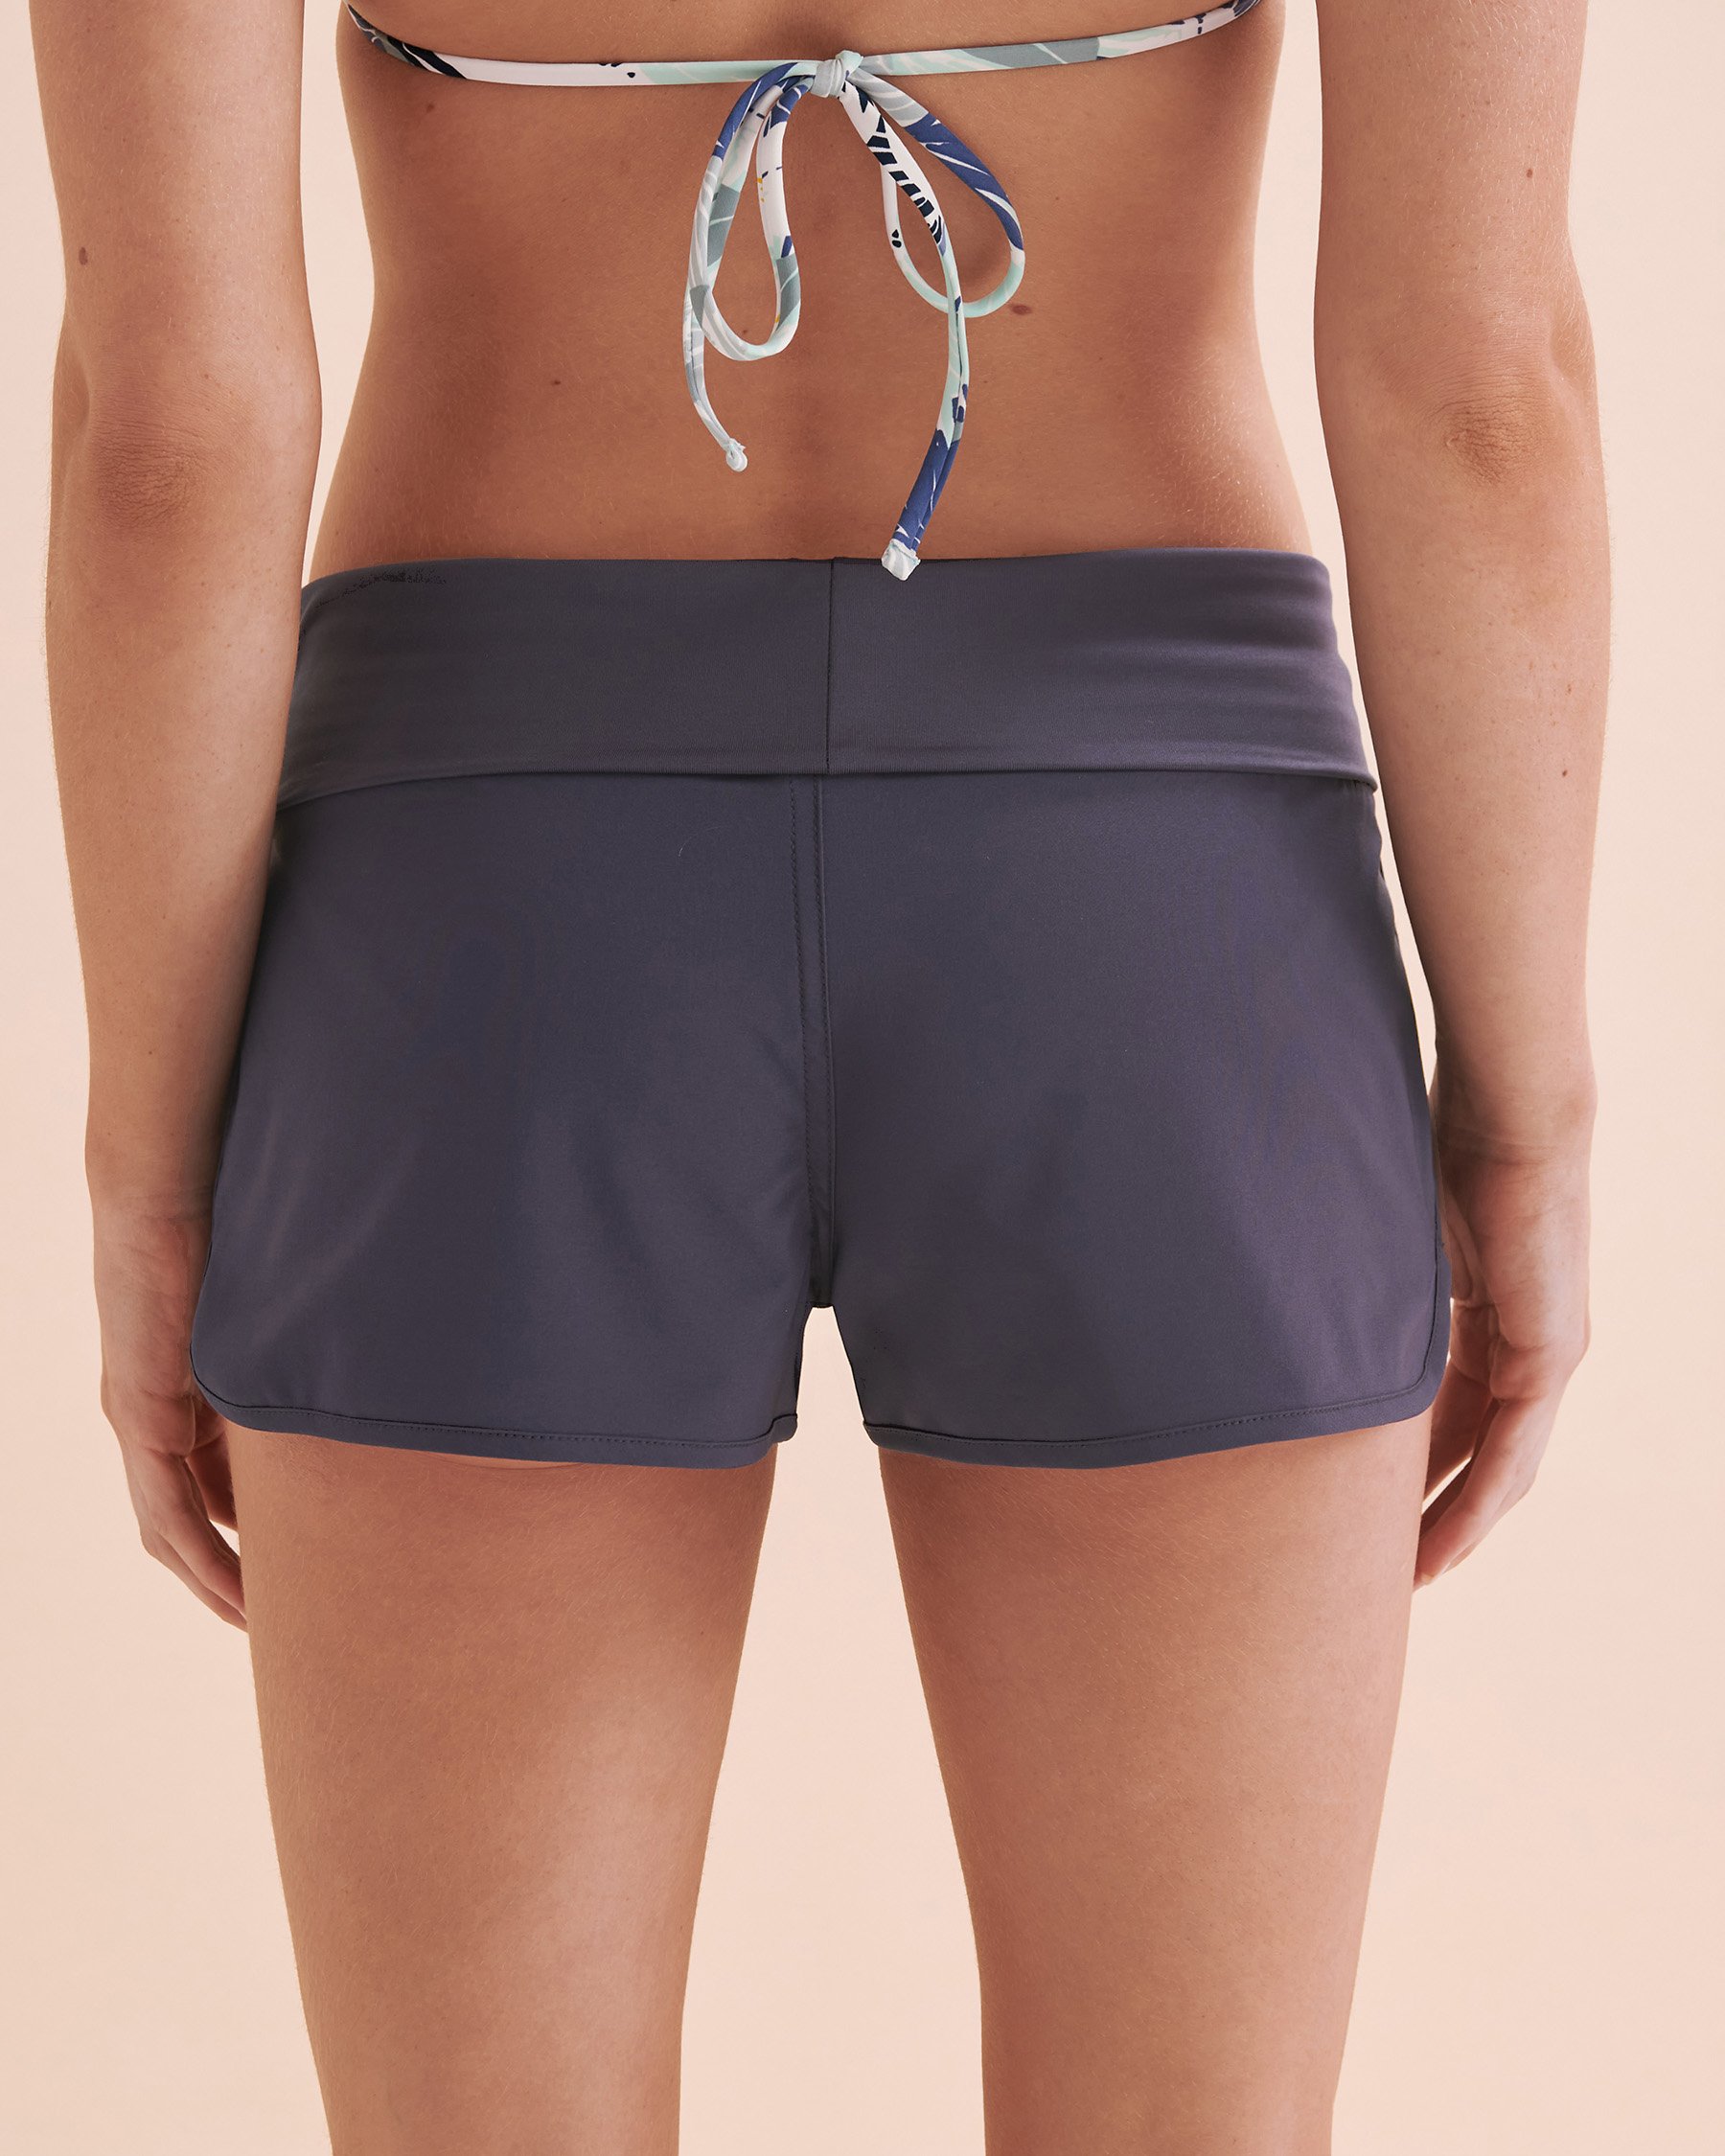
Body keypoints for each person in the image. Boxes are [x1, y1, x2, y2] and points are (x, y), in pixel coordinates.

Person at [31, 0, 1602, 2147]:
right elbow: (1475, 387)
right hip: (1157, 907)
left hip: (490, 904)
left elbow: (172, 434)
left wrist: (150, 1158)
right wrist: (1527, 1108)